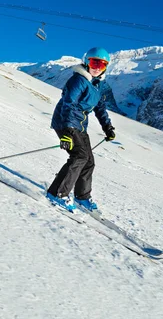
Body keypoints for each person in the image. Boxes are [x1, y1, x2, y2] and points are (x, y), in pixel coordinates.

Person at [47, 47, 116, 212]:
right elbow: (68, 103)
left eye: (102, 64)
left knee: (89, 161)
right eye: (94, 62)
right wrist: (66, 132)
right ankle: (57, 193)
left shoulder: (97, 85)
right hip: (66, 123)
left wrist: (107, 127)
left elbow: (100, 109)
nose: (97, 67)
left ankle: (82, 196)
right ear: (86, 62)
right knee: (79, 157)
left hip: (79, 126)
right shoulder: (79, 80)